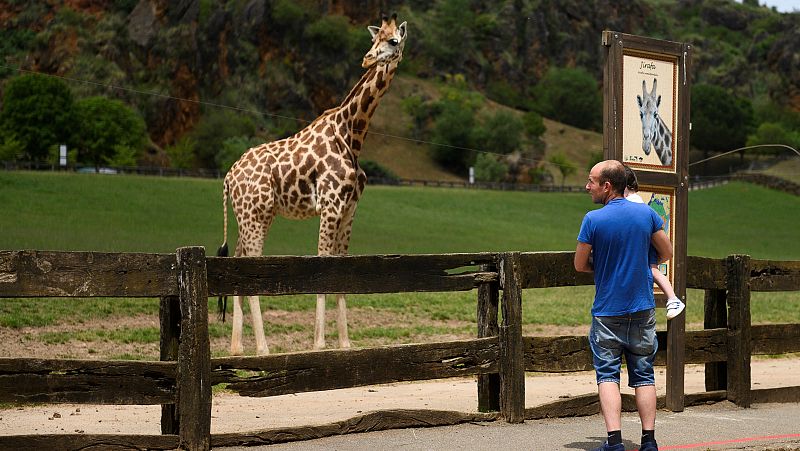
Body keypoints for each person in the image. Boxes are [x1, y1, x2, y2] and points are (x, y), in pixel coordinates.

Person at [574, 160, 674, 451]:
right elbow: (665, 252)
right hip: (642, 307)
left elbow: (580, 264)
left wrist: (604, 263)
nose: (587, 186)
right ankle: (649, 441)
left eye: (591, 181)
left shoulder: (593, 219)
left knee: (607, 375)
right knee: (644, 375)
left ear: (607, 186)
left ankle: (615, 442)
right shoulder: (646, 214)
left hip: (608, 310)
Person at [623, 165, 685, 320]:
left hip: (643, 243)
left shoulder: (632, 203)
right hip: (644, 241)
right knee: (652, 269)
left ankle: (673, 299)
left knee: (652, 269)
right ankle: (672, 299)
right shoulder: (640, 203)